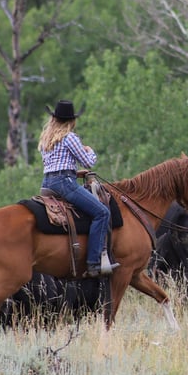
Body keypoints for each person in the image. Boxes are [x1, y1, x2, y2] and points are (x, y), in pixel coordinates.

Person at [38, 99, 119, 277]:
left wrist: (73, 170)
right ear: (71, 120)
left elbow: (53, 164)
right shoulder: (70, 138)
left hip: (47, 184)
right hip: (64, 183)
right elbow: (89, 162)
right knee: (102, 212)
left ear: (54, 119)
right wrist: (89, 150)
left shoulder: (45, 139)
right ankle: (93, 263)